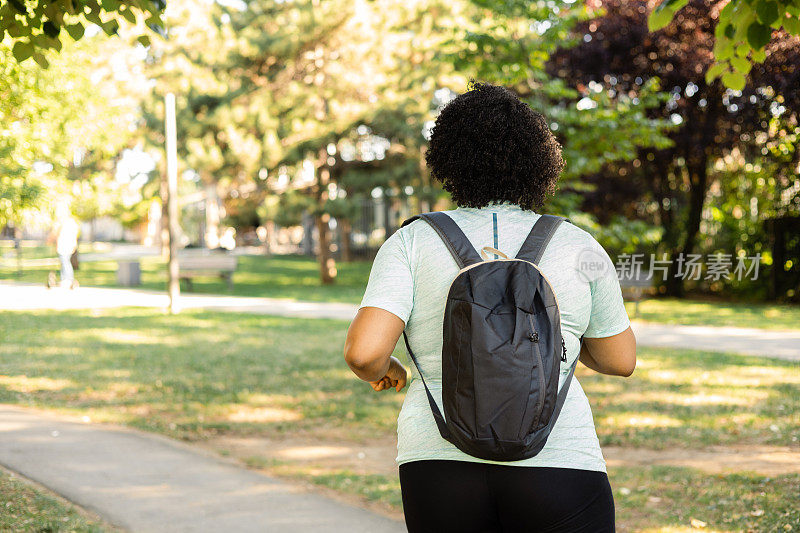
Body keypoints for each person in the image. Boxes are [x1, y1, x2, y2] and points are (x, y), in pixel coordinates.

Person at [344, 81, 636, 532]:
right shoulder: (579, 246)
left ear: (446, 160)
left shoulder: (412, 241)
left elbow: (364, 354)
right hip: (559, 460)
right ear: (539, 161)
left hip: (437, 463)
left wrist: (390, 369)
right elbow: (620, 359)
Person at [53, 204, 79, 289]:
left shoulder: (63, 222)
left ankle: (68, 279)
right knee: (65, 261)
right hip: (66, 245)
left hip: (64, 245)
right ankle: (65, 278)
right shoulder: (71, 222)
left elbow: (57, 233)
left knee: (65, 262)